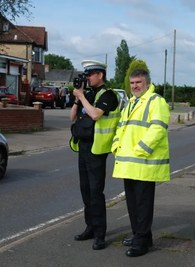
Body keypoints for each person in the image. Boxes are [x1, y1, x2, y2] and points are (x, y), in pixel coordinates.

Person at [111, 69, 170, 257]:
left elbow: (158, 128)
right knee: (133, 205)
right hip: (129, 163)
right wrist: (115, 145)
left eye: (138, 82)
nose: (135, 86)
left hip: (144, 162)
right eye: (132, 83)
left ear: (147, 83)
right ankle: (141, 235)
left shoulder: (156, 101)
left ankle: (141, 243)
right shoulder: (131, 103)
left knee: (143, 206)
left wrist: (141, 149)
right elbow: (121, 126)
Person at [70, 60, 120, 250]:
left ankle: (100, 234)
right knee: (86, 191)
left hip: (97, 150)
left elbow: (95, 115)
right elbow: (72, 117)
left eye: (90, 74)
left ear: (100, 75)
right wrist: (77, 98)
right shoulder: (88, 94)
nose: (87, 78)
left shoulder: (108, 95)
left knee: (96, 193)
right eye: (86, 74)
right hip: (83, 148)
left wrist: (82, 97)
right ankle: (90, 227)